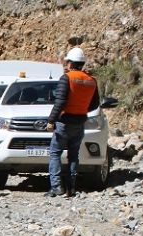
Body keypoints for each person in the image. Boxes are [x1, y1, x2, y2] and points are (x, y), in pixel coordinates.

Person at [46, 47, 100, 198]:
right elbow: (95, 104)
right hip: (79, 123)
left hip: (64, 123)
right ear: (82, 63)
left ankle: (56, 187)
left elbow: (60, 102)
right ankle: (71, 188)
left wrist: (51, 120)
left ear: (70, 63)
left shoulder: (67, 78)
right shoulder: (91, 80)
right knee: (73, 156)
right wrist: (81, 109)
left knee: (55, 153)